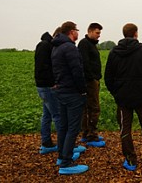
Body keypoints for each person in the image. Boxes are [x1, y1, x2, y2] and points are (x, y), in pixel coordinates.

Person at [104, 23, 142, 171]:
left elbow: (108, 77)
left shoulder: (114, 52)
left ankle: (130, 160)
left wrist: (116, 93)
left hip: (122, 98)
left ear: (124, 34)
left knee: (124, 129)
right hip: (141, 96)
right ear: (136, 34)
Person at [51, 21, 89, 175]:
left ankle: (62, 156)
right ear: (72, 31)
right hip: (72, 92)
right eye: (77, 30)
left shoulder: (56, 47)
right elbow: (77, 71)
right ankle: (66, 163)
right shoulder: (70, 48)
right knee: (73, 127)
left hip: (61, 91)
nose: (78, 33)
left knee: (64, 126)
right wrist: (83, 90)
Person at [78, 23, 105, 147]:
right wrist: (92, 78)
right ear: (89, 31)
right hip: (89, 81)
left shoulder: (90, 44)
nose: (99, 35)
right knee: (94, 108)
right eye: (97, 33)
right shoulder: (84, 44)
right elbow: (85, 63)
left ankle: (86, 133)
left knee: (87, 108)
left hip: (91, 79)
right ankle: (91, 135)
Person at [35, 27, 61, 154]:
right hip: (47, 87)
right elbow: (42, 67)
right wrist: (53, 83)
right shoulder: (44, 46)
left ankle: (46, 143)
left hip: (44, 86)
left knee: (47, 115)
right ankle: (64, 147)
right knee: (57, 115)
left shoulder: (46, 45)